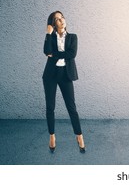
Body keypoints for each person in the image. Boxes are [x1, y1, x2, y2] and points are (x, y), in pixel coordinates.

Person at [42, 10, 85, 153]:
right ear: (53, 24)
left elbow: (72, 54)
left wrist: (53, 55)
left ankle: (79, 136)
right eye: (58, 19)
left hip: (66, 75)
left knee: (72, 108)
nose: (62, 20)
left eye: (62, 17)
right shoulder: (51, 37)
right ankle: (52, 136)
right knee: (50, 107)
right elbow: (45, 51)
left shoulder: (73, 37)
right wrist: (48, 33)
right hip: (50, 75)